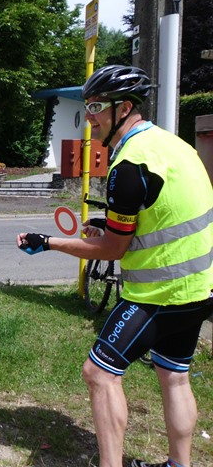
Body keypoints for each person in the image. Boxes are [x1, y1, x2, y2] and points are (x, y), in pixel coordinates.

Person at [16, 65, 213, 467]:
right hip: (200, 289)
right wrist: (110, 223)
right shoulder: (173, 146)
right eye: (88, 105)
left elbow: (111, 250)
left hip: (158, 295)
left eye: (96, 106)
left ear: (124, 108)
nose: (89, 115)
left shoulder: (128, 165)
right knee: (174, 376)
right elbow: (165, 211)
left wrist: (49, 242)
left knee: (99, 374)